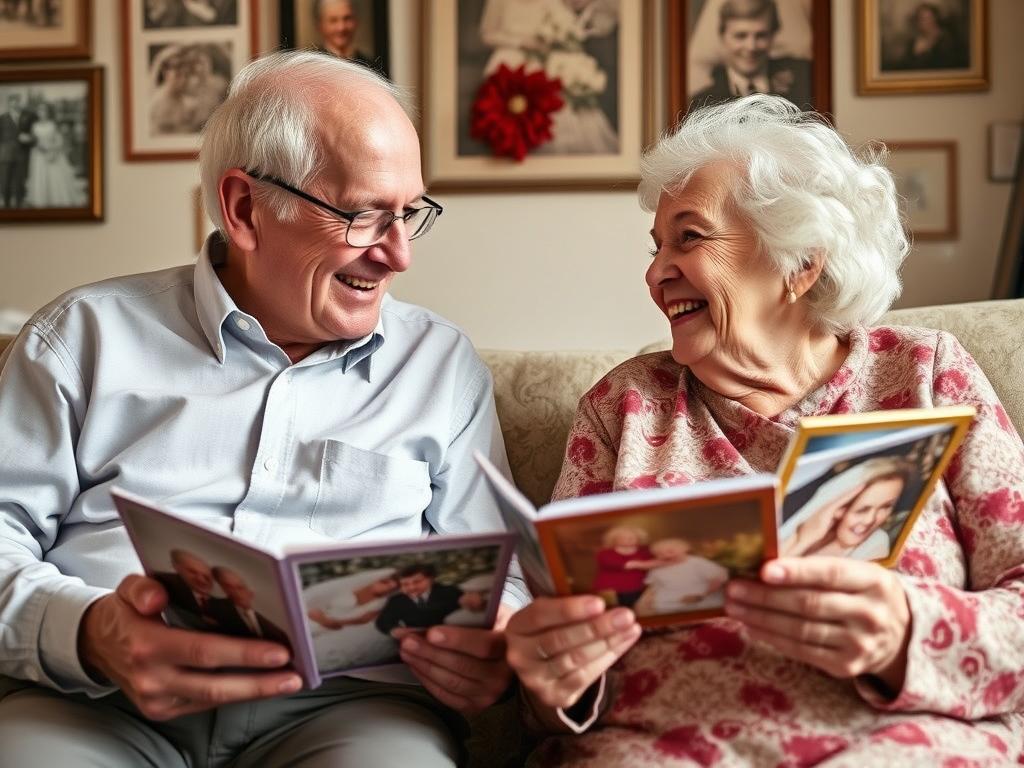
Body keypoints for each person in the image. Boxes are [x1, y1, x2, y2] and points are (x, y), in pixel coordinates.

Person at [0, 50, 527, 768]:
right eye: (365, 216)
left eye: (410, 214)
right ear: (245, 208)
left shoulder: (439, 365)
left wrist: (494, 648)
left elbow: (499, 576)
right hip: (95, 704)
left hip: (349, 711)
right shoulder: (82, 339)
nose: (398, 255)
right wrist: (92, 632)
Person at [504, 94, 1024, 765]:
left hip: (903, 745)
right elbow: (554, 683)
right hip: (665, 750)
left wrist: (905, 632)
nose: (656, 272)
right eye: (657, 245)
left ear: (800, 261)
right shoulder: (623, 406)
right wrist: (553, 681)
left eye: (689, 237)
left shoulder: (923, 371)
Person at [689, 0, 812, 111]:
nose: (751, 47)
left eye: (761, 35)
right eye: (741, 36)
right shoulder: (701, 103)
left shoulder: (804, 81)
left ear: (773, 36)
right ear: (723, 37)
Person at [780, 457, 911, 560]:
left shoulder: (876, 544)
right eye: (863, 509)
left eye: (886, 507)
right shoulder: (803, 532)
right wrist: (804, 540)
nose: (870, 520)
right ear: (839, 507)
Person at [633, 538, 728, 616]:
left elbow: (717, 579)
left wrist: (702, 595)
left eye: (670, 551)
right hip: (667, 601)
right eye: (660, 554)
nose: (665, 555)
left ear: (685, 549)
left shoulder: (696, 562)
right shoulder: (657, 568)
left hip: (700, 597)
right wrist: (648, 599)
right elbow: (653, 586)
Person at [375, 564, 467, 639]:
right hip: (417, 638)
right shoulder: (397, 600)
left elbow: (466, 602)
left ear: (430, 579)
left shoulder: (448, 591)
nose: (412, 587)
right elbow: (383, 621)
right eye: (405, 584)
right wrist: (393, 630)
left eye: (417, 582)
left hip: (450, 635)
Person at [209, 565, 291, 646]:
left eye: (240, 587)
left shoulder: (278, 633)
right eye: (228, 587)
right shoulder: (214, 610)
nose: (236, 592)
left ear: (251, 593)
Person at [25, 100, 84, 208]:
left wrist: (53, 150)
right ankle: (41, 201)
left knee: (56, 177)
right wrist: (38, 146)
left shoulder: (52, 124)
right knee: (41, 177)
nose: (41, 113)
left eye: (43, 110)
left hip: (52, 153)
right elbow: (34, 140)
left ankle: (56, 200)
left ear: (48, 112)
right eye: (39, 110)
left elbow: (59, 140)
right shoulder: (34, 126)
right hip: (39, 155)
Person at [151, 549, 221, 632]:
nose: (201, 579)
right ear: (176, 567)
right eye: (192, 572)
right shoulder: (165, 587)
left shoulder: (223, 605)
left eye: (206, 577)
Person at [888, 2, 968, 71]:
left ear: (935, 19)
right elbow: (905, 66)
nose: (923, 22)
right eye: (920, 19)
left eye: (927, 18)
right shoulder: (913, 42)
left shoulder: (947, 40)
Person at [590, 525, 654, 608]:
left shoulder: (645, 552)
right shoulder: (605, 553)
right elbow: (630, 565)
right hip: (611, 591)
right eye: (623, 537)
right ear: (614, 540)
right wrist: (658, 563)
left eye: (632, 537)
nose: (628, 539)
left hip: (639, 588)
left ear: (638, 539)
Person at [312, 0, 374, 68]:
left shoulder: (370, 67)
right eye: (333, 20)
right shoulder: (311, 66)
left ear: (356, 21)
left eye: (347, 18)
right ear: (320, 25)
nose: (341, 28)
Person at [0, 92, 35, 209]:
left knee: (20, 182)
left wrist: (29, 139)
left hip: (21, 154)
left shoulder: (27, 117)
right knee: (5, 182)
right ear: (9, 103)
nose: (15, 103)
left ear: (19, 102)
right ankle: (6, 206)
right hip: (6, 155)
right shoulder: (2, 118)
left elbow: (33, 134)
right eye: (12, 101)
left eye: (17, 101)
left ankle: (19, 207)